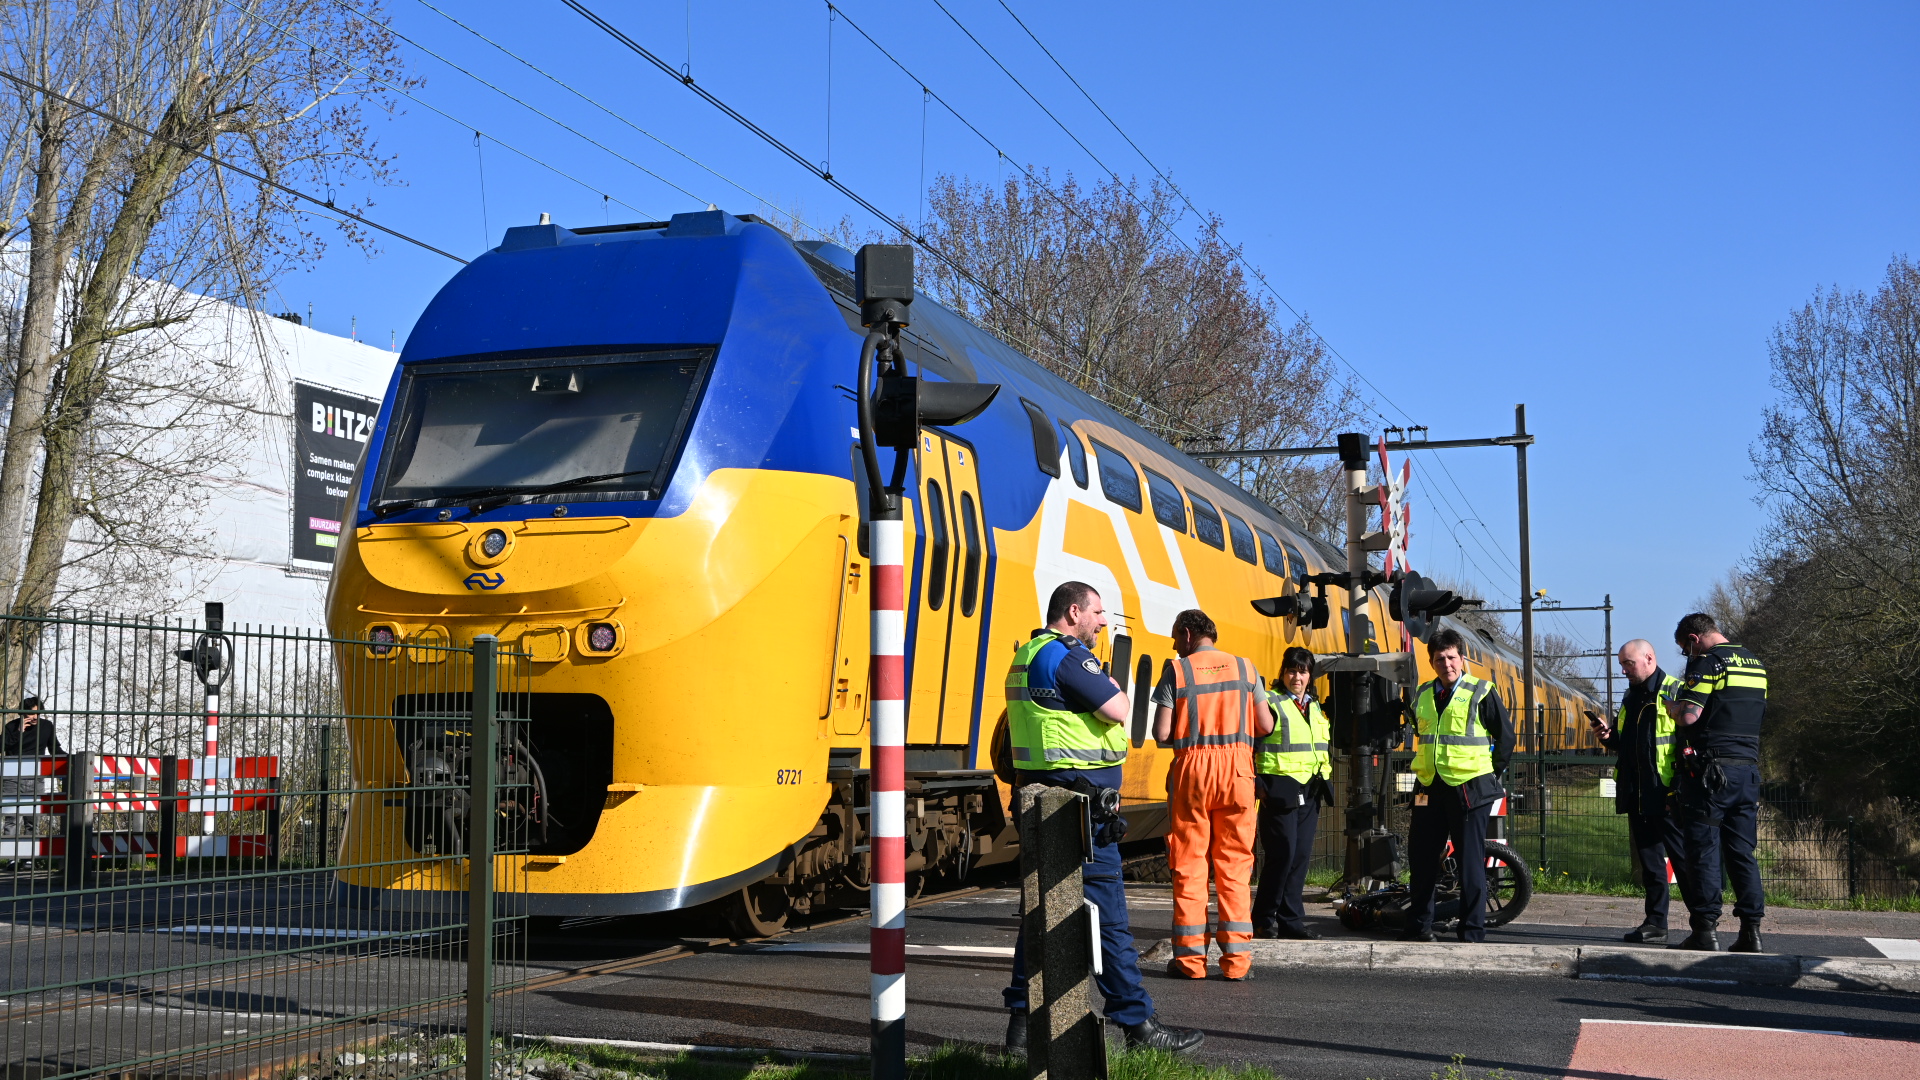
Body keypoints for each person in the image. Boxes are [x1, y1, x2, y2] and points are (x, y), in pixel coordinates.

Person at [1002, 581, 1204, 1054]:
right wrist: (1110, 682)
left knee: (1039, 916)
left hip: (1043, 800)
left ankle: (1019, 1027)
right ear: (1074, 612)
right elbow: (1118, 707)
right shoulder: (1070, 656)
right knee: (1109, 919)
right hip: (1081, 810)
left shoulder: (1029, 653)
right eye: (1097, 613)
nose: (1102, 623)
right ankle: (1139, 1026)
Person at [1150, 609, 1268, 980]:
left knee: (1189, 865)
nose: (1173, 645)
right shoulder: (1247, 669)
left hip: (1193, 774)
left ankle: (1189, 962)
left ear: (1187, 634)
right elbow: (1265, 725)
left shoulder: (1178, 669)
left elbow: (1163, 733)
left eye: (1174, 637)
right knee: (1235, 867)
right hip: (1238, 773)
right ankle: (1237, 964)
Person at [1403, 629, 1514, 943]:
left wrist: (1490, 775)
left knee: (1469, 864)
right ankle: (1418, 927)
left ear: (1462, 659)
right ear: (1432, 662)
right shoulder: (1423, 694)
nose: (1447, 663)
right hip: (1428, 787)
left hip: (1468, 789)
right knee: (1422, 860)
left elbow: (1506, 739)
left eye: (1452, 657)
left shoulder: (1481, 691)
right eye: (1440, 659)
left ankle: (1471, 931)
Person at [1669, 613, 1769, 953]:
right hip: (1748, 772)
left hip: (1712, 774)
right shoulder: (1756, 664)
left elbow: (1689, 715)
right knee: (1743, 852)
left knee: (1703, 852)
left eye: (1685, 649)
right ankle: (1751, 932)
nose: (1687, 656)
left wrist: (1673, 707)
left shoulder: (1708, 664)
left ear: (1694, 640)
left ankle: (1705, 930)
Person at [1586, 640, 1691, 944]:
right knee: (1651, 864)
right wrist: (1608, 737)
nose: (1623, 670)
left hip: (1667, 792)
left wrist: (1682, 786)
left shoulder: (1675, 690)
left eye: (1628, 663)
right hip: (1637, 793)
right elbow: (1628, 743)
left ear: (1649, 658)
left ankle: (1702, 924)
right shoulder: (1630, 696)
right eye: (1622, 664)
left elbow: (1690, 738)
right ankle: (1656, 922)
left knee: (1683, 861)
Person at [1251, 646, 1332, 940]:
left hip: (1310, 789)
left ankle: (1291, 921)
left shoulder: (1313, 706)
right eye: (1292, 670)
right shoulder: (1271, 702)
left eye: (1303, 671)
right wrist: (1256, 781)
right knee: (1281, 854)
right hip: (1279, 788)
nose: (1297, 677)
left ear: (1310, 676)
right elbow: (1251, 741)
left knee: (1298, 857)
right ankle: (1262, 918)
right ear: (1283, 672)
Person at [3, 696, 60, 840]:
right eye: (31, 713)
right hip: (12, 778)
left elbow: (55, 749)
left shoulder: (46, 726)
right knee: (12, 820)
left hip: (36, 778)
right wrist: (19, 731)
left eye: (38, 713)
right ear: (22, 713)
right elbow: (2, 746)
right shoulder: (11, 726)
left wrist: (72, 758)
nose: (35, 717)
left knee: (33, 820)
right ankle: (11, 859)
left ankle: (29, 859)